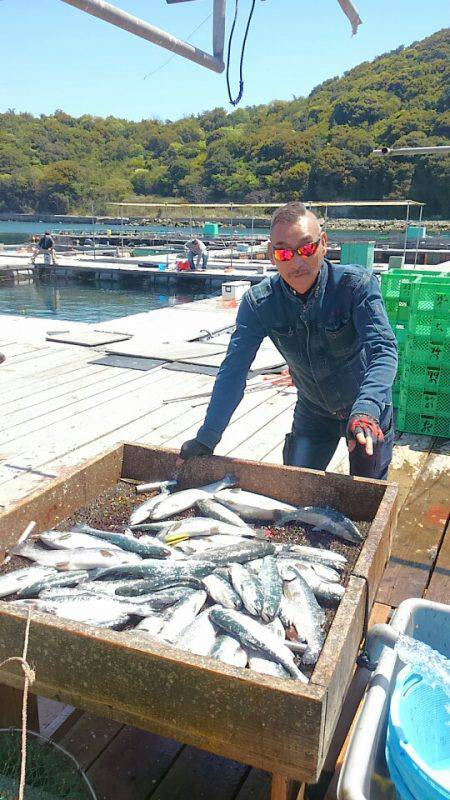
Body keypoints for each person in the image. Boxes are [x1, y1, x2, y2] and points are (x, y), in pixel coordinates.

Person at [178, 201, 397, 480]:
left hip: (366, 408)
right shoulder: (259, 303)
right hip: (313, 411)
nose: (296, 262)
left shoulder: (356, 286)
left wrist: (367, 407)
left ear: (323, 244)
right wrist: (207, 437)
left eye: (306, 248)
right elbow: (234, 371)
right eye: (283, 252)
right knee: (294, 488)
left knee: (368, 494)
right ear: (271, 255)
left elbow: (383, 350)